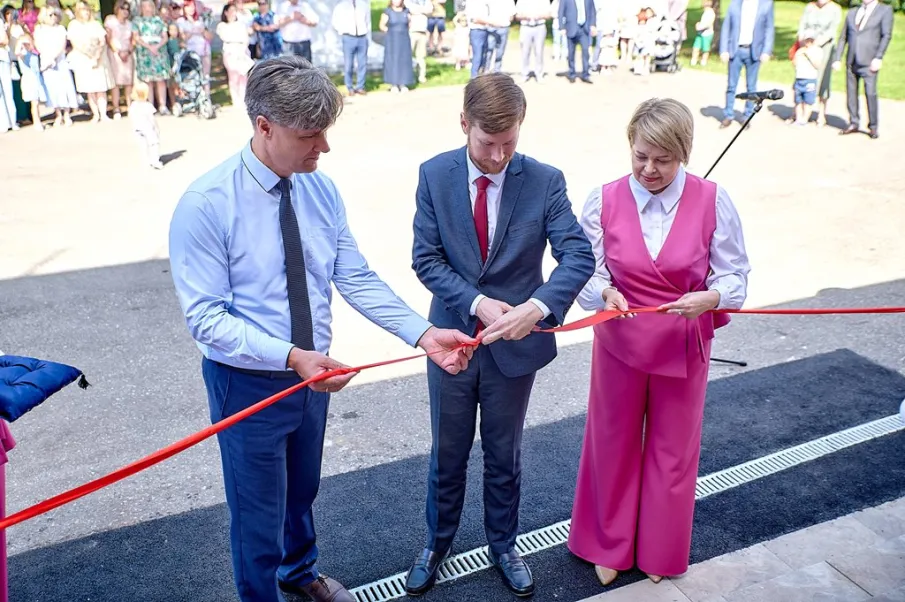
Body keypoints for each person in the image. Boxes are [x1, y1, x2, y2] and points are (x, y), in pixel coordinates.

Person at [168, 55, 475, 602]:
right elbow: (207, 319)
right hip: (248, 380)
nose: (324, 147)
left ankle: (297, 571)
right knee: (256, 510)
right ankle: (260, 593)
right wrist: (291, 356)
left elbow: (353, 275)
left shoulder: (320, 190)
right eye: (311, 135)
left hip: (312, 377)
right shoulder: (206, 205)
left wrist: (424, 335)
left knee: (301, 489)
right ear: (263, 127)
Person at [405, 72, 596, 597]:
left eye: (509, 143)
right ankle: (435, 543)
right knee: (448, 451)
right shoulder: (434, 175)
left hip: (515, 349)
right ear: (463, 124)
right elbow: (426, 259)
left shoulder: (545, 179)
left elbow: (578, 254)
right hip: (451, 343)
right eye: (488, 144)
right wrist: (476, 302)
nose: (498, 156)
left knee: (504, 452)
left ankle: (504, 544)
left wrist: (537, 307)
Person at [568, 98, 750, 586]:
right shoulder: (602, 199)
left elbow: (735, 276)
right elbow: (585, 271)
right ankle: (606, 545)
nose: (649, 168)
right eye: (640, 155)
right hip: (619, 343)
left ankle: (660, 548)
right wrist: (604, 291)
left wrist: (710, 297)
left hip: (683, 344)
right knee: (611, 442)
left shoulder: (713, 199)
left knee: (674, 451)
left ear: (684, 153)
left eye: (662, 160)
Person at [833, 0, 893, 140]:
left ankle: (873, 126)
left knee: (870, 93)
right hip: (852, 59)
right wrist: (837, 58)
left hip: (870, 60)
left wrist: (878, 57)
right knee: (851, 93)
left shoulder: (884, 10)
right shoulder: (853, 12)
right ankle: (854, 122)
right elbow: (843, 37)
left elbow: (886, 35)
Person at [718, 0, 774, 128]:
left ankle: (747, 116)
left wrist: (766, 50)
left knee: (751, 87)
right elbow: (727, 26)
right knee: (731, 86)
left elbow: (769, 28)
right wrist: (724, 49)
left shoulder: (766, 4)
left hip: (754, 51)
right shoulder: (735, 3)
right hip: (735, 50)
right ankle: (728, 115)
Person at [795, 0, 841, 127]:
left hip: (824, 48)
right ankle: (800, 112)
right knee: (803, 77)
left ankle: (821, 113)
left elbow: (831, 31)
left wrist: (816, 45)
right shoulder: (810, 7)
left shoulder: (835, 9)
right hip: (806, 45)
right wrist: (803, 43)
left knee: (822, 80)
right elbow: (802, 26)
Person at [558, 0, 596, 83]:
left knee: (586, 52)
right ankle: (572, 74)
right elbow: (560, 12)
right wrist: (562, 27)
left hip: (584, 29)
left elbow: (592, 10)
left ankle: (585, 74)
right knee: (571, 53)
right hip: (571, 28)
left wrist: (593, 24)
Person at [791, 34, 821, 125]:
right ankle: (798, 119)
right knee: (798, 100)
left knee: (808, 101)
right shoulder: (800, 50)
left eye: (811, 41)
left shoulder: (817, 51)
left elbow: (817, 65)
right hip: (799, 78)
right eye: (807, 40)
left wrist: (808, 55)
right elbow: (794, 62)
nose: (808, 43)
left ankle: (804, 119)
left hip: (810, 79)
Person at [130, 82, 162, 169]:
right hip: (148, 128)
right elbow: (152, 119)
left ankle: (145, 160)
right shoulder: (148, 105)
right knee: (154, 143)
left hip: (137, 128)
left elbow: (131, 116)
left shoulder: (133, 105)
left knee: (143, 145)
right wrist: (156, 128)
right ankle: (155, 160)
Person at [690, 0, 714, 66]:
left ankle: (704, 61)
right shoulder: (705, 12)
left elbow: (708, 24)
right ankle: (694, 60)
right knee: (696, 46)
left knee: (705, 49)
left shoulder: (710, 13)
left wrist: (699, 26)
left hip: (707, 34)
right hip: (700, 33)